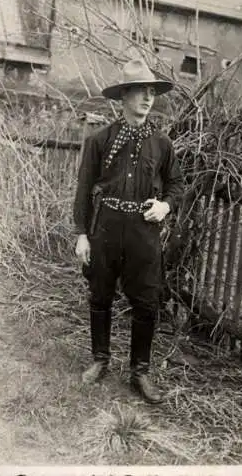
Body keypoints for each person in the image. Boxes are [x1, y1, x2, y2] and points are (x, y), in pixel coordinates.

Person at [73, 58, 184, 404]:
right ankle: (100, 360)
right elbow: (84, 188)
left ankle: (140, 372)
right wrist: (81, 234)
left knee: (147, 301)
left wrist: (165, 205)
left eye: (151, 93)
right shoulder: (100, 140)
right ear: (123, 97)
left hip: (143, 232)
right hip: (105, 227)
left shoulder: (162, 143)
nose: (147, 99)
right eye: (140, 92)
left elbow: (177, 185)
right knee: (100, 295)